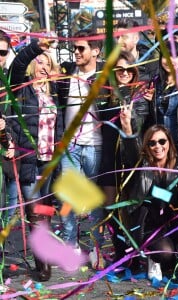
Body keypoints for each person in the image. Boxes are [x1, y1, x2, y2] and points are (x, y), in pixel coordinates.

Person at [119, 102, 178, 284]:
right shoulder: (141, 165)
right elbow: (132, 148)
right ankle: (153, 259)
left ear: (169, 143)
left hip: (174, 219)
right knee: (166, 254)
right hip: (149, 222)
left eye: (162, 141)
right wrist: (127, 126)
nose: (158, 146)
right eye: (152, 143)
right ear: (147, 146)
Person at [9, 37, 64, 281]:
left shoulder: (53, 94)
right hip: (30, 160)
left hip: (49, 162)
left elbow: (59, 128)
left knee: (44, 210)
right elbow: (17, 67)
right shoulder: (23, 91)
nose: (43, 66)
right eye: (39, 62)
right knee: (34, 212)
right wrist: (34, 48)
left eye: (47, 63)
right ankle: (44, 264)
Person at [57, 29, 106, 269]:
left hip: (96, 146)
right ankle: (70, 244)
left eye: (81, 48)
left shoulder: (106, 76)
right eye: (74, 48)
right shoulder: (67, 75)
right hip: (69, 146)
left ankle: (97, 247)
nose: (76, 52)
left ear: (95, 51)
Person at [0, 30, 18, 223]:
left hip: (4, 155)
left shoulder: (8, 80)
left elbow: (14, 117)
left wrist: (10, 140)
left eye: (3, 52)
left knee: (7, 209)